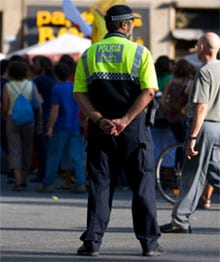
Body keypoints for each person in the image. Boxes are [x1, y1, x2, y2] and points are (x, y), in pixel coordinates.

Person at [73, 4, 164, 257]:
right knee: (142, 186)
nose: (133, 26)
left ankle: (92, 243)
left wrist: (99, 119)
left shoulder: (89, 54)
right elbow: (148, 92)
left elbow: (79, 93)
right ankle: (149, 243)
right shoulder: (140, 53)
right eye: (132, 23)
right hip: (133, 131)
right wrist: (124, 120)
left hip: (100, 131)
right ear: (124, 25)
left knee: (100, 186)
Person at [160, 32, 220, 233]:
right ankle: (181, 219)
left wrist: (193, 136)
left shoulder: (204, 72)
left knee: (192, 174)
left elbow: (201, 107)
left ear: (202, 47)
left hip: (205, 127)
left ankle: (180, 220)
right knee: (214, 171)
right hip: (219, 126)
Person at [36, 62, 86, 193]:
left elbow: (55, 110)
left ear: (55, 74)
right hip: (74, 125)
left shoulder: (57, 89)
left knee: (54, 156)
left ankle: (48, 183)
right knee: (76, 156)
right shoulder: (74, 86)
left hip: (60, 126)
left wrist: (50, 127)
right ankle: (80, 182)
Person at [2, 60, 42, 191]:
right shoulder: (31, 85)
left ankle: (19, 181)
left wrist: (5, 115)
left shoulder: (8, 86)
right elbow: (39, 104)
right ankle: (25, 179)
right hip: (29, 120)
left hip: (12, 119)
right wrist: (40, 121)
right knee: (27, 149)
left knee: (15, 150)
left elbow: (5, 105)